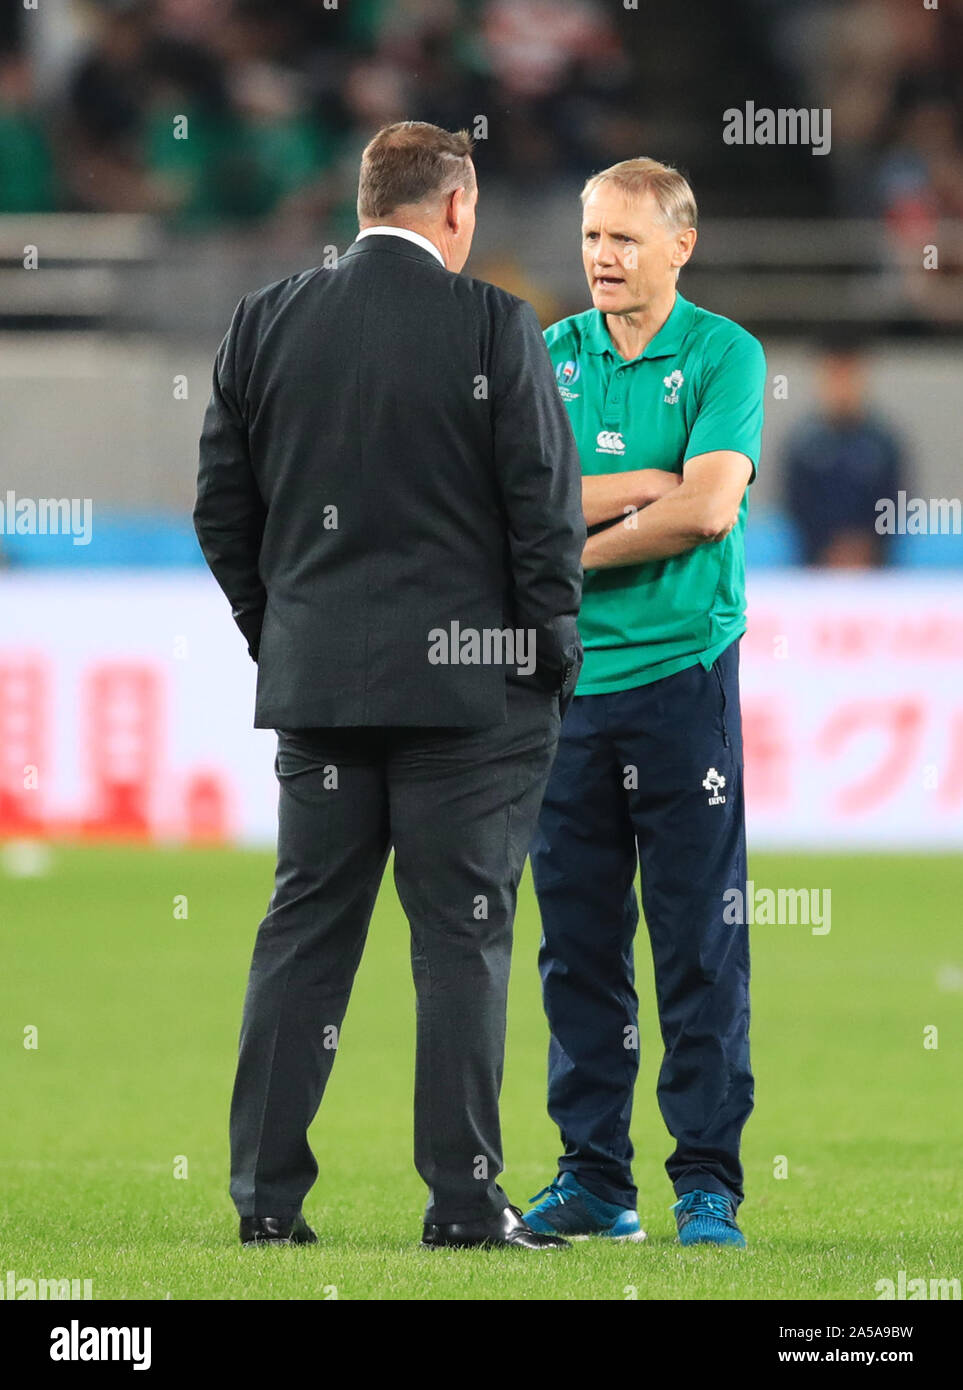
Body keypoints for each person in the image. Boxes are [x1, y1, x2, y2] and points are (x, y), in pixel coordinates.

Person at [193, 120, 585, 1251]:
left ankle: (267, 1201)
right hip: (471, 701)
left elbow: (223, 508)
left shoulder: (267, 319)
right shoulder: (493, 323)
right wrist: (547, 648)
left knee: (305, 930)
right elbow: (542, 508)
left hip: (319, 691)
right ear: (456, 208)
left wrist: (286, 634)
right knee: (461, 937)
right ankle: (463, 1204)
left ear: (363, 198)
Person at [522, 157, 766, 1248]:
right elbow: (511, 510)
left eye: (625, 238)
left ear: (681, 245)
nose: (602, 258)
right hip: (566, 689)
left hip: (681, 680)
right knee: (575, 946)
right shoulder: (549, 355)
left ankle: (706, 1180)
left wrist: (573, 549)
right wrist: (638, 498)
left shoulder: (724, 354)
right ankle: (594, 1179)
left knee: (696, 941)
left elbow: (711, 510)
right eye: (590, 237)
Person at [784, 336, 905, 567]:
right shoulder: (801, 445)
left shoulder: (884, 443)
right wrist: (826, 549)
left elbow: (895, 501)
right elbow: (796, 507)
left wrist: (867, 548)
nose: (841, 386)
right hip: (816, 566)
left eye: (848, 375)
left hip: (874, 566)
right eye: (834, 376)